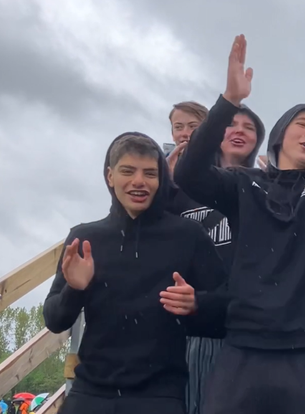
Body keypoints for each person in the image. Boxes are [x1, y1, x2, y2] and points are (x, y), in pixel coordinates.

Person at [173, 25, 305, 414]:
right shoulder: (244, 184)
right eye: (302, 125)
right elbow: (189, 175)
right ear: (279, 136)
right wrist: (229, 101)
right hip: (245, 347)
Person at [44, 133, 227, 414]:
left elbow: (226, 313)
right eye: (128, 171)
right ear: (110, 176)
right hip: (90, 392)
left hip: (159, 396)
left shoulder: (188, 236)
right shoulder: (85, 238)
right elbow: (55, 321)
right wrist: (74, 289)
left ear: (161, 180)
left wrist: (196, 304)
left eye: (150, 173)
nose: (139, 181)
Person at [166, 100, 266, 414]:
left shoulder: (265, 187)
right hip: (191, 330)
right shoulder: (181, 187)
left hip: (245, 328)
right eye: (231, 125)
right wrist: (166, 187)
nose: (239, 131)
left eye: (249, 127)